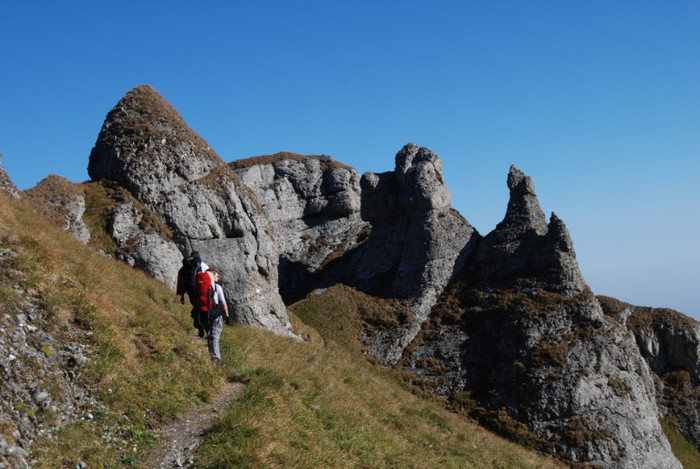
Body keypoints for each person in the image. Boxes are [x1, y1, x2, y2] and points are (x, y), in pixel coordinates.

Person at [175, 251, 210, 336]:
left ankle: (199, 325)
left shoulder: (184, 268)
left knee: (195, 305)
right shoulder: (203, 265)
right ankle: (204, 327)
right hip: (201, 290)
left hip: (190, 289)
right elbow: (209, 279)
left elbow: (181, 281)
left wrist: (182, 295)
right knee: (203, 308)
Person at [206, 269, 229, 365]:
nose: (218, 278)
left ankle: (209, 354)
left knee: (208, 334)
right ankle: (216, 358)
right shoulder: (217, 287)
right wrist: (227, 316)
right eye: (217, 277)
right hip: (215, 314)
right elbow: (223, 302)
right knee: (215, 335)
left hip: (204, 314)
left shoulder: (202, 286)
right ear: (213, 277)